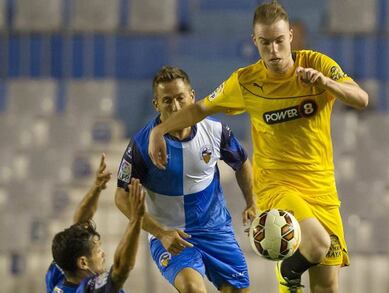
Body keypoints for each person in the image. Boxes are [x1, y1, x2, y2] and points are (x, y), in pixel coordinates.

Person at [147, 2, 369, 293]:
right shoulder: (246, 82)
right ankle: (287, 271)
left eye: (279, 41)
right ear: (255, 41)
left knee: (327, 286)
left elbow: (361, 99)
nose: (274, 51)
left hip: (322, 188)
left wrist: (327, 83)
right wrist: (160, 130)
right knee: (317, 244)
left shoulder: (316, 64)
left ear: (290, 35)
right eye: (265, 43)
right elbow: (199, 109)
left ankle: (292, 272)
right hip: (277, 186)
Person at [115, 66, 256, 293]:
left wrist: (251, 202)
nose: (176, 107)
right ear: (156, 104)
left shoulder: (216, 131)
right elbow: (121, 197)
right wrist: (161, 232)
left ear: (192, 96)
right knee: (193, 289)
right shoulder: (141, 144)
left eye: (181, 98)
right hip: (171, 234)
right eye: (167, 100)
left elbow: (242, 163)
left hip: (215, 230)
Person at [45, 154, 146, 292]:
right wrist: (136, 219)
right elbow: (122, 268)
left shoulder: (59, 274)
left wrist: (97, 188)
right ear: (83, 262)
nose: (103, 254)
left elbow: (79, 226)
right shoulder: (89, 289)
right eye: (98, 251)